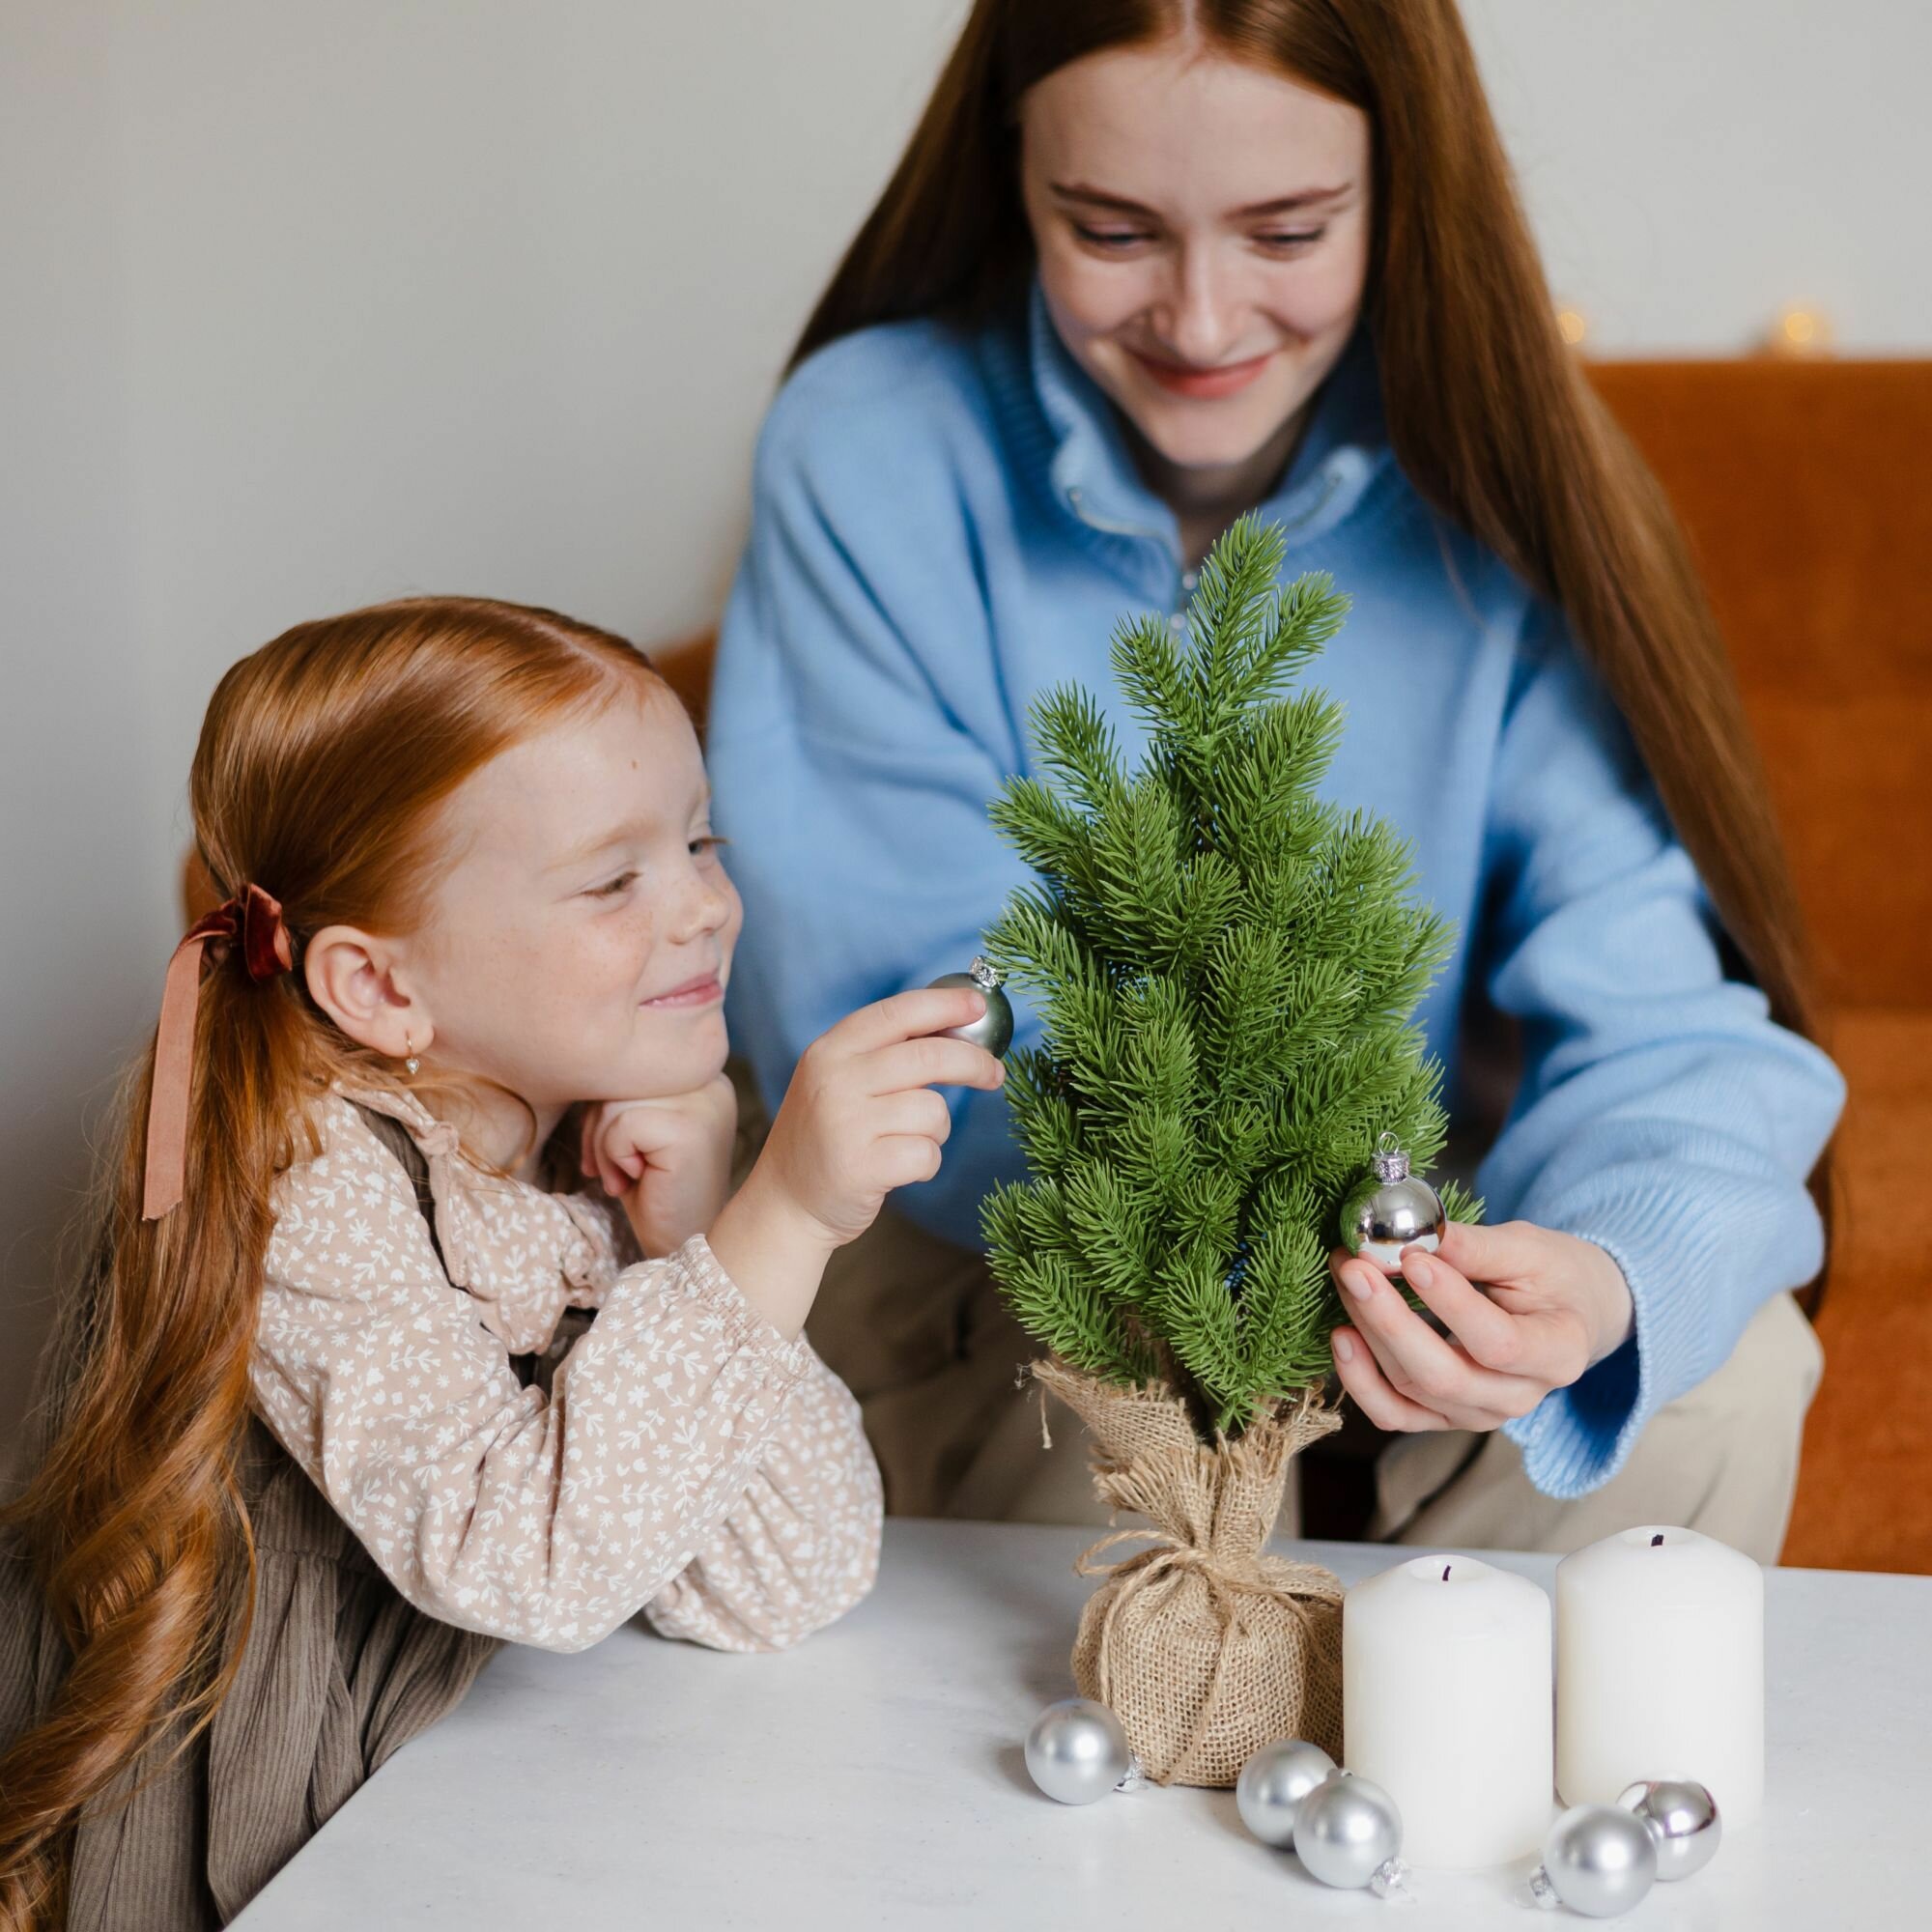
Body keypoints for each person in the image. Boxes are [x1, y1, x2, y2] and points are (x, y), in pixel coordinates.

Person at [706, 0, 1843, 1557]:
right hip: (1013, 1254)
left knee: (1727, 1371)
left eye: (1288, 230)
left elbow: (1667, 1023)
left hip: (1383, 1234)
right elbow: (907, 1029)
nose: (1201, 313)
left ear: (1405, 193)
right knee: (1108, 1405)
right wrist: (1265, 1266)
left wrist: (1602, 1277)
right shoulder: (868, 448)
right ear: (1010, 168)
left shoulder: (1501, 491)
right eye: (1109, 228)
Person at [0, 597, 1005, 1930]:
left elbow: (786, 1584)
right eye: (613, 880)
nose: (709, 903)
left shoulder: (572, 1138)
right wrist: (784, 1225)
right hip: (275, 1840)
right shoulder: (311, 1178)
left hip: (479, 1788)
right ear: (378, 989)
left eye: (701, 839)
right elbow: (522, 1561)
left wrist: (703, 1227)